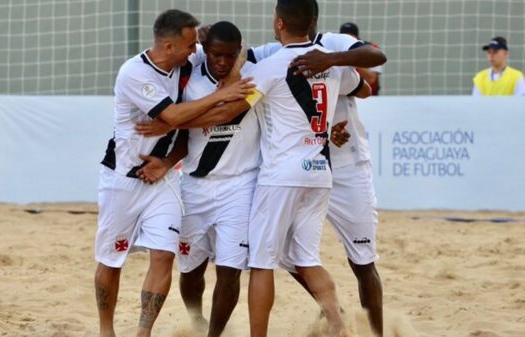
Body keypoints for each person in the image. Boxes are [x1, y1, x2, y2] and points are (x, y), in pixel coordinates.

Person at [93, 9, 253, 337]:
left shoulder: (186, 59)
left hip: (163, 177)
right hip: (123, 177)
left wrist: (214, 40)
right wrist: (223, 94)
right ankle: (106, 330)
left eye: (197, 43)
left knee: (164, 255)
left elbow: (236, 47)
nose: (196, 50)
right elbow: (175, 116)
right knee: (112, 259)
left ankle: (143, 332)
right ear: (168, 47)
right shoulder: (134, 73)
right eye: (190, 44)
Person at [245, 2, 386, 335]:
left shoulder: (335, 45)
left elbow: (373, 67)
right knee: (292, 255)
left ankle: (376, 331)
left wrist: (331, 62)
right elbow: (237, 54)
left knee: (363, 261)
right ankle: (334, 311)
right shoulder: (272, 51)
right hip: (316, 164)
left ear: (279, 20)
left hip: (345, 165)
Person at [137, 21, 258, 337]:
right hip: (193, 186)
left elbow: (225, 114)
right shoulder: (189, 78)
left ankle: (214, 335)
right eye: (216, 55)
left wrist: (179, 121)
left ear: (238, 53)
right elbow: (183, 139)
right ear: (206, 53)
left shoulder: (253, 77)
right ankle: (196, 318)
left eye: (229, 56)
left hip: (240, 185)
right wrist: (166, 162)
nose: (222, 62)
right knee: (190, 269)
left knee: (231, 271)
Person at [339, 22, 383, 95]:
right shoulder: (335, 50)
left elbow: (371, 79)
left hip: (369, 97)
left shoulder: (371, 50)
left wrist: (350, 60)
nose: (348, 41)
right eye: (344, 38)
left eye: (350, 38)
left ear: (358, 38)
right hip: (344, 95)